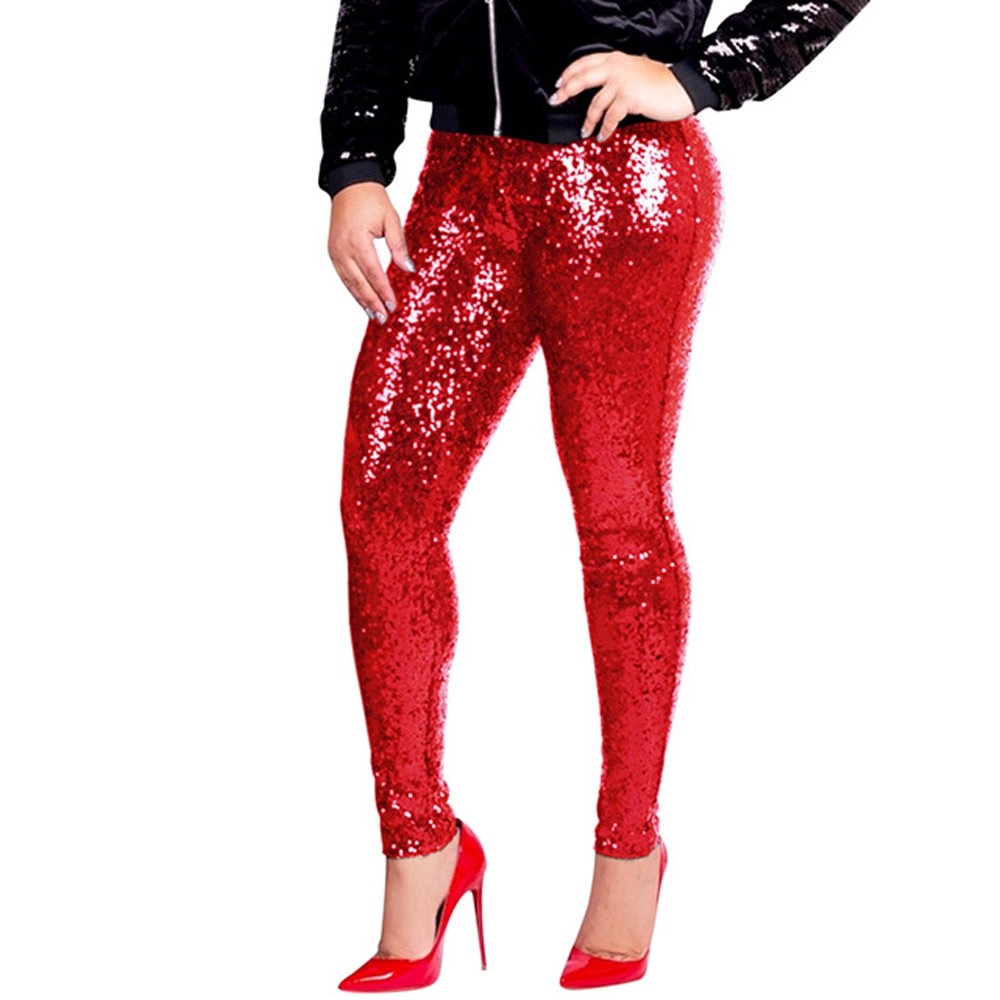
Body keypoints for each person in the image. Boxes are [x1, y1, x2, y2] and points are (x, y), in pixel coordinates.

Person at [319, 0, 871, 990]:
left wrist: (701, 76)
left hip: (625, 179)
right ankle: (420, 847)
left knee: (620, 527)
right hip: (462, 178)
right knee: (384, 508)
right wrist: (358, 161)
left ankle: (628, 853)